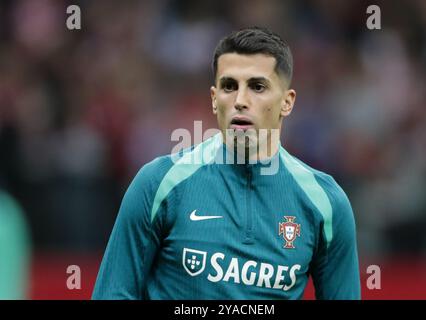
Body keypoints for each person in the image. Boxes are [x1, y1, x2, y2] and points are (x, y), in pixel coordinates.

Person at [92, 27, 361, 300]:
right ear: (213, 99)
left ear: (286, 102)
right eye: (229, 86)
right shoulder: (158, 184)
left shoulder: (326, 203)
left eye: (257, 87)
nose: (240, 101)